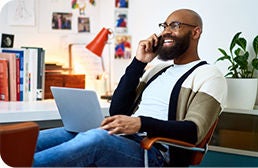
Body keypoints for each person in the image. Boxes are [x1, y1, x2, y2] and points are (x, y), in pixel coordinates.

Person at [33, 9, 227, 167]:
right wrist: (138, 62)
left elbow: (193, 131)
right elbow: (117, 110)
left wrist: (140, 123)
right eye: (164, 26)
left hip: (154, 153)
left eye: (175, 26)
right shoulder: (157, 70)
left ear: (195, 32)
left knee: (96, 140)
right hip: (123, 138)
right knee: (39, 138)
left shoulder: (209, 75)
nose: (166, 31)